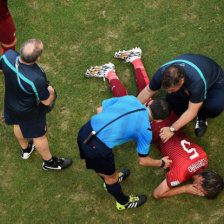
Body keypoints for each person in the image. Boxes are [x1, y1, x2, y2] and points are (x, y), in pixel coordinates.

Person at [86, 47, 223, 199]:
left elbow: (149, 91)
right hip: (161, 131)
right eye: (200, 191)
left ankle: (135, 59)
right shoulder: (182, 173)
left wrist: (133, 108)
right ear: (202, 179)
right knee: (130, 119)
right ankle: (110, 72)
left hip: (173, 120)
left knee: (149, 102)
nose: (198, 192)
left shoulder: (204, 158)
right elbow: (157, 194)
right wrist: (186, 189)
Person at [79, 64, 172, 211]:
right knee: (111, 179)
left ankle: (110, 176)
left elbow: (100, 110)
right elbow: (143, 160)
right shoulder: (145, 129)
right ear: (159, 120)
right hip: (97, 149)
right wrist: (161, 163)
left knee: (105, 170)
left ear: (151, 103)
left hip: (85, 130)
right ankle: (122, 201)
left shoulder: (130, 100)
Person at [0, 39, 72, 170]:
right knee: (39, 136)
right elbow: (46, 101)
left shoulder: (7, 56)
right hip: (29, 111)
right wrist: (51, 91)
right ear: (38, 58)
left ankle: (26, 149)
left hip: (11, 104)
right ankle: (49, 163)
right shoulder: (36, 78)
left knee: (17, 124)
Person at [136, 51, 224, 141]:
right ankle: (187, 97)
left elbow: (191, 111)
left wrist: (172, 129)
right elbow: (148, 90)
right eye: (167, 89)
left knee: (215, 107)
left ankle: (202, 116)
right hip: (195, 72)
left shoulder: (197, 83)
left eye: (171, 89)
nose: (169, 92)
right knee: (175, 108)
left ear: (182, 81)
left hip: (215, 82)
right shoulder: (161, 73)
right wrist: (134, 109)